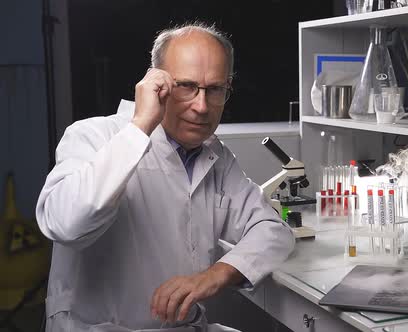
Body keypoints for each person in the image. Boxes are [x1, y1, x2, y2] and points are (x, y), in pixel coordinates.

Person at [35, 22, 295, 331]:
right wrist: (142, 124)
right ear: (155, 84)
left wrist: (216, 274)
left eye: (215, 89)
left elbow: (273, 230)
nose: (201, 106)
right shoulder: (93, 136)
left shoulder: (215, 157)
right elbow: (66, 224)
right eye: (186, 86)